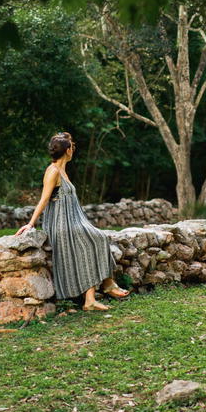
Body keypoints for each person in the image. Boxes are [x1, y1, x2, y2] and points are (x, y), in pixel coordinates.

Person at [17, 131, 130, 311]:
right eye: (73, 147)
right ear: (68, 151)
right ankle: (99, 292)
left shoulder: (62, 170)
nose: (74, 149)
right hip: (60, 223)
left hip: (72, 220)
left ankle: (96, 294)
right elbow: (44, 199)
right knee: (94, 239)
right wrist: (31, 224)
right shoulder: (52, 171)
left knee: (99, 237)